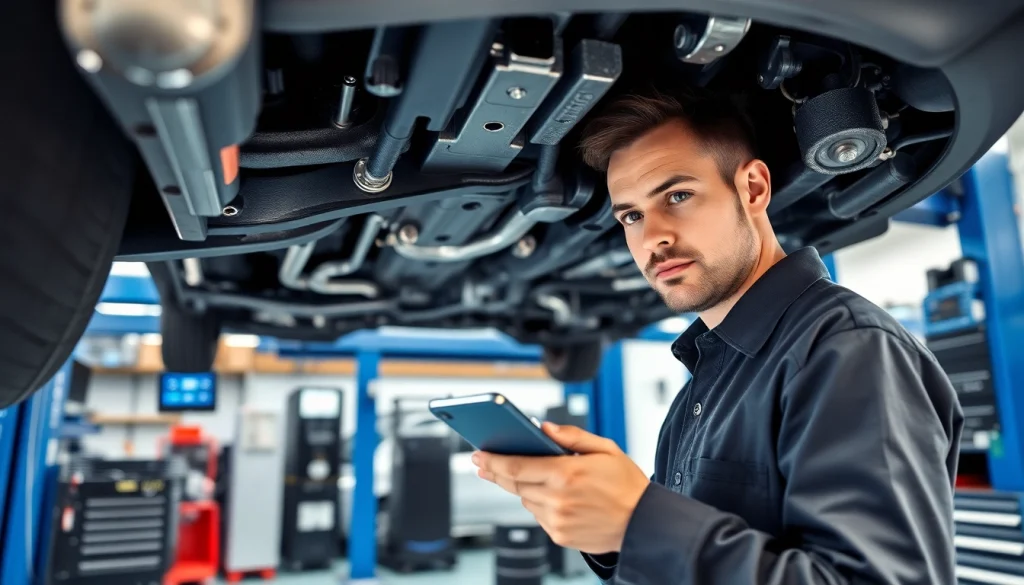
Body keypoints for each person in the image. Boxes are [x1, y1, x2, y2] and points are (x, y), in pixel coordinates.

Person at [471, 88, 964, 584]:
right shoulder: (703, 384)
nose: (652, 237)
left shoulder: (849, 348)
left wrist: (639, 522)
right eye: (632, 216)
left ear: (752, 189)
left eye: (677, 196)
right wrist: (609, 535)